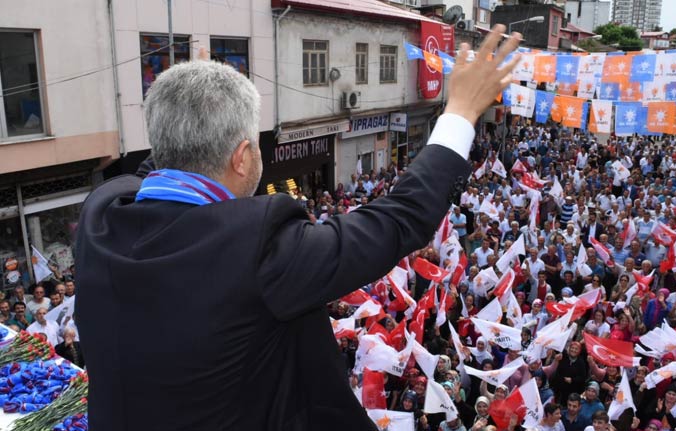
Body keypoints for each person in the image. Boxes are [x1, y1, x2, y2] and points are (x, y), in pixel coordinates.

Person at [73, 27, 523, 430]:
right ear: (243, 156)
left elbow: (164, 164)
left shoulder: (101, 219)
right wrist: (460, 112)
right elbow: (398, 219)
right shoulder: (256, 246)